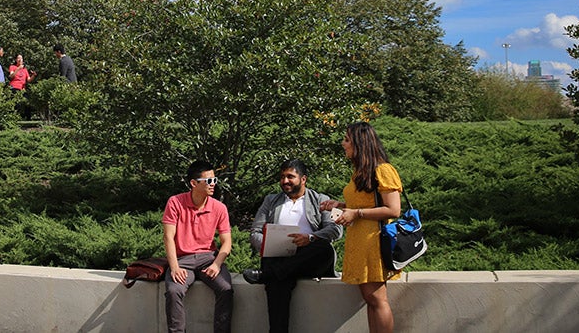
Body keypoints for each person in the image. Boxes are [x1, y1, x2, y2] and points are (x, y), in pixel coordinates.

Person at [319, 122, 403, 333]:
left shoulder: (383, 170)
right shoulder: (360, 172)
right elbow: (365, 204)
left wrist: (356, 213)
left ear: (360, 143)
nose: (343, 143)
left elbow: (393, 210)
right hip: (361, 241)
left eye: (346, 139)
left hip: (375, 242)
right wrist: (340, 206)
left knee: (377, 299)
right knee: (370, 299)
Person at [242, 159, 342, 332]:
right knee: (278, 281)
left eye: (290, 176)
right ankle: (273, 274)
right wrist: (267, 245)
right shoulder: (270, 200)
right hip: (278, 255)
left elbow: (336, 229)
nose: (285, 181)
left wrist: (310, 238)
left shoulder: (322, 199)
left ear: (303, 179)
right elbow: (255, 232)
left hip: (308, 257)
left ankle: (268, 274)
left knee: (324, 248)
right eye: (282, 177)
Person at [161, 159, 233, 333]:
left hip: (208, 259)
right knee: (173, 291)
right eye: (208, 181)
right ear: (193, 183)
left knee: (226, 289)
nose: (213, 184)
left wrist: (217, 264)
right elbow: (168, 238)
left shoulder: (219, 208)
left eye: (214, 180)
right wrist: (175, 267)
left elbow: (227, 242)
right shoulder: (175, 202)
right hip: (182, 260)